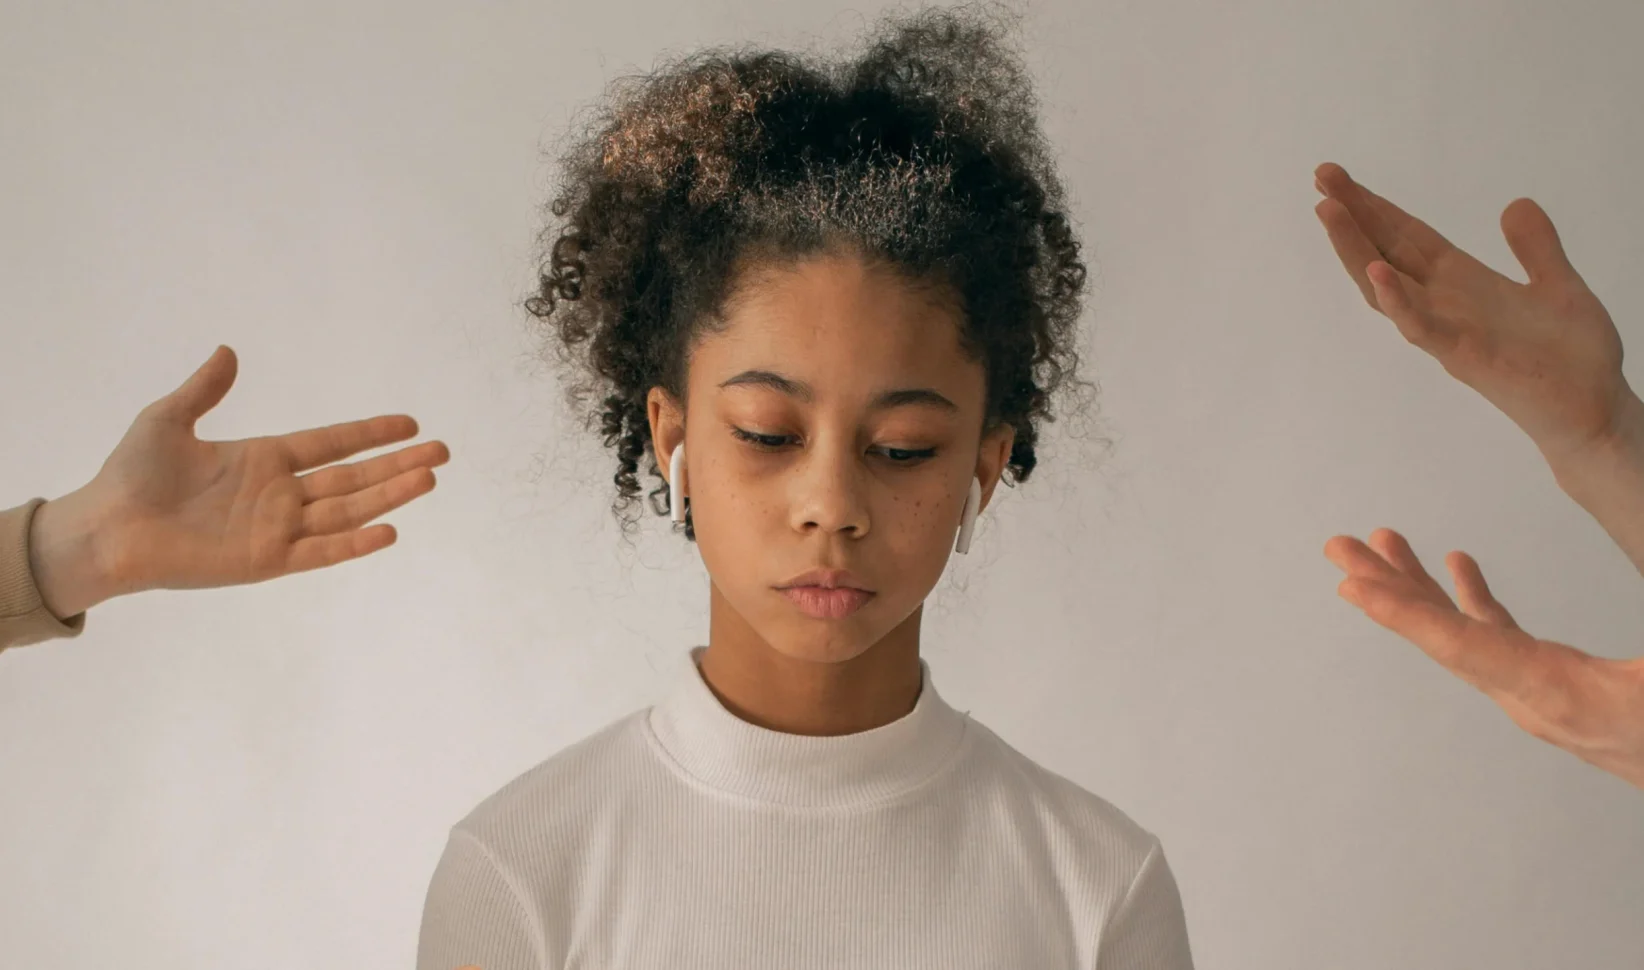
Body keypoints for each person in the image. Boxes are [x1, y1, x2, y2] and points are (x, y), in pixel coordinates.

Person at [3, 6, 1641, 969]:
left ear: (992, 456)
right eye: (768, 431)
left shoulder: (1095, 888)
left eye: (909, 444)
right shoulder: (526, 874)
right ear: (667, 433)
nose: (833, 503)